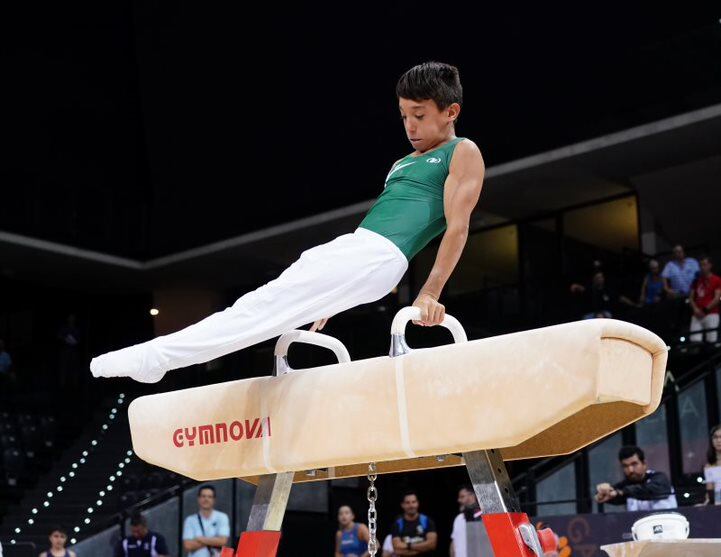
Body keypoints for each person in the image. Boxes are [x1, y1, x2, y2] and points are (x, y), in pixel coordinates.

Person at [90, 61, 485, 384]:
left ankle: (157, 358)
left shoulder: (461, 152)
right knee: (261, 303)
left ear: (451, 112)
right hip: (356, 250)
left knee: (257, 311)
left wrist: (430, 293)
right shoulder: (401, 164)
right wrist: (334, 297)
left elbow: (457, 228)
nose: (409, 126)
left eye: (419, 115)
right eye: (403, 116)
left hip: (378, 255)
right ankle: (163, 358)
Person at [595, 446, 677, 511]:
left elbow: (648, 490)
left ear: (644, 463)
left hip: (668, 528)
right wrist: (602, 493)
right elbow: (614, 494)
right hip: (640, 529)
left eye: (634, 464)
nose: (630, 470)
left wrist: (622, 492)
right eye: (625, 466)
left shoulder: (659, 477)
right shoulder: (626, 485)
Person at [182, 485, 230, 557]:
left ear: (214, 500)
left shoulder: (222, 517)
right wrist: (214, 541)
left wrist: (199, 539)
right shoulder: (190, 520)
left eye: (209, 496)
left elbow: (223, 541)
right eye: (203, 496)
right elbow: (188, 545)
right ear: (198, 498)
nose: (206, 499)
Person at [391, 491, 437, 555]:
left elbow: (432, 545)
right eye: (407, 503)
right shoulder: (398, 524)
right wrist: (423, 548)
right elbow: (397, 549)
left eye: (413, 502)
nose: (411, 505)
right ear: (402, 505)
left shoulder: (427, 521)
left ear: (418, 503)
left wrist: (408, 546)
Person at [688, 256, 721, 343]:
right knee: (694, 340)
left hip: (711, 313)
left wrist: (705, 310)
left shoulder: (717, 280)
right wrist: (695, 309)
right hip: (697, 314)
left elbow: (717, 298)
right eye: (701, 265)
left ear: (710, 265)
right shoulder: (696, 281)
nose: (702, 267)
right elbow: (691, 297)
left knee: (712, 341)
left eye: (704, 264)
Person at [450, 485, 481, 557]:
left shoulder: (484, 517)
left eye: (462, 497)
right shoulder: (459, 518)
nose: (459, 500)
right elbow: (454, 543)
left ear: (472, 496)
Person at [704, 424, 721, 505]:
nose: (718, 440)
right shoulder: (708, 466)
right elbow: (710, 492)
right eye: (715, 437)